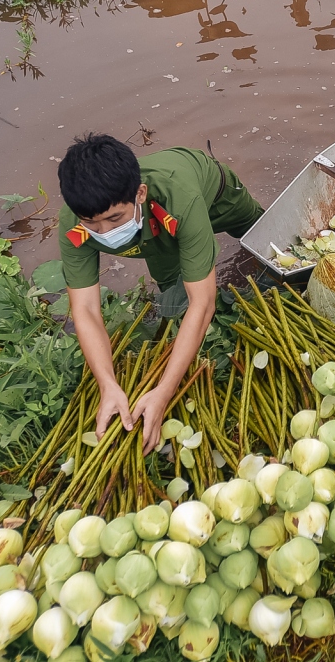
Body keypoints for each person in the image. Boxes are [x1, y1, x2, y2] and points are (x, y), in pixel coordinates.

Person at [57, 136, 264, 449]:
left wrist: (164, 392)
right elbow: (85, 309)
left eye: (115, 219)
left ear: (139, 194)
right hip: (154, 227)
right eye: (92, 223)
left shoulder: (181, 198)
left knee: (259, 236)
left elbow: (204, 303)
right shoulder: (74, 224)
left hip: (213, 196)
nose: (106, 233)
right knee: (174, 290)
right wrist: (107, 383)